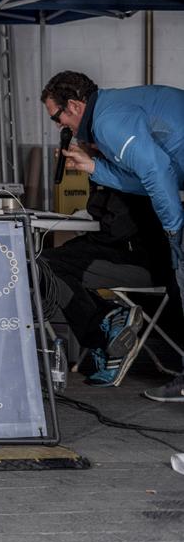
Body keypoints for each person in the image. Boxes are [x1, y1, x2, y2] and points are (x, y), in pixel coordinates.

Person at [45, 71, 184, 402]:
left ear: (76, 105)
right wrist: (93, 169)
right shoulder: (113, 110)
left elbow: (155, 171)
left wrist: (174, 227)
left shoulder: (108, 121)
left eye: (57, 116)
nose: (59, 126)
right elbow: (143, 180)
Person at [40, 185, 168, 384]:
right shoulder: (106, 171)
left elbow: (119, 227)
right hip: (126, 252)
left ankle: (104, 332)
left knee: (47, 266)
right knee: (45, 263)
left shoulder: (125, 168)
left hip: (144, 262)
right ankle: (109, 322)